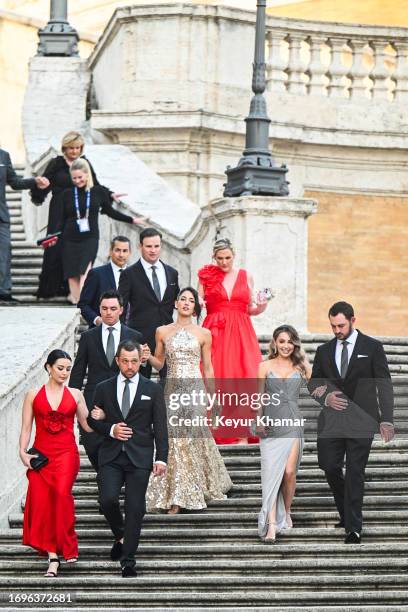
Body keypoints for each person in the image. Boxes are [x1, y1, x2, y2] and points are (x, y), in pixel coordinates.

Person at [308, 301, 394, 544]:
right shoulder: (324, 350)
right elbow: (313, 383)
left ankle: (353, 528)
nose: (337, 330)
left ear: (353, 320)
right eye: (333, 326)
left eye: (341, 325)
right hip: (332, 421)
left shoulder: (373, 347)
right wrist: (326, 397)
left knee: (355, 472)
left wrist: (386, 419)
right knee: (329, 465)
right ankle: (346, 512)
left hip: (362, 421)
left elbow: (384, 385)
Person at [145, 287, 232, 514]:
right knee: (173, 440)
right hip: (172, 390)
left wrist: (213, 397)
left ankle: (189, 492)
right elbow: (160, 364)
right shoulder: (162, 331)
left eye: (190, 300)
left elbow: (209, 367)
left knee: (191, 439)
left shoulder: (204, 333)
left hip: (194, 390)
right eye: (182, 299)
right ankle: (175, 495)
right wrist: (147, 357)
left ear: (195, 306)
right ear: (175, 303)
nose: (185, 303)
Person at [87, 340, 168, 577]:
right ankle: (122, 536)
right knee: (107, 500)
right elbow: (92, 420)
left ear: (139, 361)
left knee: (135, 508)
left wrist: (161, 458)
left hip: (139, 456)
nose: (130, 366)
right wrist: (110, 428)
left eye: (134, 361)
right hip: (111, 455)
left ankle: (128, 560)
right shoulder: (103, 387)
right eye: (125, 361)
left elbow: (160, 427)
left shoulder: (152, 389)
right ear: (117, 361)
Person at [19, 349, 92, 576]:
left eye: (68, 369)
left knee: (61, 496)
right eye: (60, 368)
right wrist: (23, 453)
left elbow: (87, 426)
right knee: (44, 504)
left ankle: (68, 545)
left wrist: (103, 419)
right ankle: (53, 557)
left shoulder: (76, 394)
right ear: (49, 368)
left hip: (67, 454)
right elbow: (26, 428)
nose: (64, 373)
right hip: (41, 456)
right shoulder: (32, 394)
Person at [30, 131, 125, 300]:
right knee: (55, 246)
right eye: (71, 148)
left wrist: (109, 195)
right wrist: (39, 187)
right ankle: (51, 288)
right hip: (59, 209)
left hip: (79, 213)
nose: (74, 151)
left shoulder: (84, 162)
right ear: (64, 148)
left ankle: (71, 291)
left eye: (77, 148)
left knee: (75, 253)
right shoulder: (56, 163)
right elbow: (44, 183)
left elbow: (94, 184)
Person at [198, 237, 269, 444]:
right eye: (219, 258)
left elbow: (250, 309)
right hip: (215, 332)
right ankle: (217, 430)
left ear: (234, 255)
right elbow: (198, 302)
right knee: (217, 377)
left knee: (245, 377)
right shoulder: (205, 276)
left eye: (228, 257)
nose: (224, 262)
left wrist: (263, 306)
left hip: (242, 331)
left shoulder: (246, 276)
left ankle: (243, 432)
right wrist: (199, 304)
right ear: (214, 256)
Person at [69, 290, 143, 470]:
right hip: (93, 399)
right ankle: (104, 472)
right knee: (90, 440)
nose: (108, 312)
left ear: (121, 310)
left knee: (121, 441)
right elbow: (78, 371)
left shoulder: (134, 336)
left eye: (113, 308)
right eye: (104, 309)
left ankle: (112, 478)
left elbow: (143, 373)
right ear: (99, 310)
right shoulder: (88, 337)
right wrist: (71, 400)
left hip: (125, 397)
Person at [254, 325, 310, 543]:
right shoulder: (264, 366)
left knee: (288, 472)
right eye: (282, 341)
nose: (286, 346)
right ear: (275, 343)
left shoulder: (301, 365)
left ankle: (285, 512)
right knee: (270, 475)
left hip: (293, 422)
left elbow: (318, 388)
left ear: (294, 343)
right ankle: (271, 525)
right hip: (271, 425)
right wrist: (258, 420)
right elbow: (258, 397)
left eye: (290, 342)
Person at [60, 158, 142, 304]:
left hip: (89, 238)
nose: (77, 181)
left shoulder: (97, 192)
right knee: (71, 273)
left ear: (87, 175)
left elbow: (110, 211)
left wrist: (131, 219)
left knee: (85, 270)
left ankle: (83, 303)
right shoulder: (67, 194)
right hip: (69, 238)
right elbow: (60, 218)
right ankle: (77, 304)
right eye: (74, 178)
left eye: (80, 177)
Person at [118, 227, 179, 379]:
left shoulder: (172, 273)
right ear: (140, 246)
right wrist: (125, 337)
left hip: (167, 337)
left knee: (170, 382)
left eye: (156, 246)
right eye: (148, 246)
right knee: (139, 383)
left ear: (161, 246)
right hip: (139, 339)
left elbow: (177, 301)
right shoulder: (129, 274)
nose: (153, 250)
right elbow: (121, 308)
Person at [0, 148, 49, 303]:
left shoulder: (3, 155)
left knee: (4, 251)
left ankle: (4, 291)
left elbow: (14, 182)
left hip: (1, 215)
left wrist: (34, 182)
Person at [78, 235, 131, 327]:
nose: (121, 255)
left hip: (129, 333)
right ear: (110, 251)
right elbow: (83, 305)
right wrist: (97, 320)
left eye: (125, 251)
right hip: (100, 332)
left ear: (130, 253)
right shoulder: (96, 274)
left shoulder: (136, 274)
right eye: (117, 250)